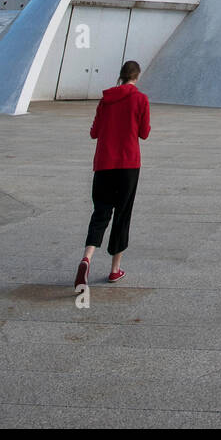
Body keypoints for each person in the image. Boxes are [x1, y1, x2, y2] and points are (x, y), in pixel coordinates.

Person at [74, 60, 150, 287]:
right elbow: (144, 133)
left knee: (100, 213)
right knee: (122, 214)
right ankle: (115, 270)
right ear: (137, 76)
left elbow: (94, 133)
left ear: (121, 75)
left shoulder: (105, 101)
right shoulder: (141, 99)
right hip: (128, 165)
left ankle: (86, 258)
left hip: (104, 164)